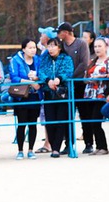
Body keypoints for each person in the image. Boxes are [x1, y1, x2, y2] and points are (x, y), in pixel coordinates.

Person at [56, 22, 91, 154]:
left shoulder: (81, 43)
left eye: (59, 32)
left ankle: (88, 142)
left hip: (79, 83)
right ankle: (68, 143)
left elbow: (84, 62)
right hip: (66, 85)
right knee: (67, 114)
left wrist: (71, 76)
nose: (58, 35)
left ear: (65, 32)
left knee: (84, 113)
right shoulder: (62, 46)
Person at [38, 38, 74, 158]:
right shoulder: (45, 58)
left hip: (62, 93)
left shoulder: (66, 58)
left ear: (59, 47)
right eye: (49, 46)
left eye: (54, 46)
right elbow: (41, 71)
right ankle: (53, 145)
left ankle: (56, 148)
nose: (51, 48)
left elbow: (69, 71)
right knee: (50, 121)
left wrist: (59, 78)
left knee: (61, 120)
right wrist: (48, 80)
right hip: (48, 92)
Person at [8, 39, 42, 159]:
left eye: (34, 47)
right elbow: (14, 77)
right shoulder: (16, 60)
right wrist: (30, 82)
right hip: (21, 96)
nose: (33, 50)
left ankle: (31, 149)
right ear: (23, 49)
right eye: (30, 48)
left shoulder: (38, 59)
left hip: (34, 96)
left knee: (33, 124)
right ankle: (20, 150)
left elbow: (42, 74)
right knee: (21, 123)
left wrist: (37, 78)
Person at [82, 36, 108, 155]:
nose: (97, 49)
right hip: (89, 94)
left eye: (100, 46)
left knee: (95, 120)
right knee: (91, 121)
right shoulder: (92, 61)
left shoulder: (107, 61)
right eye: (95, 46)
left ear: (106, 47)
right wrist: (87, 79)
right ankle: (98, 146)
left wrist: (102, 77)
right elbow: (85, 77)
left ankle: (103, 146)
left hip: (101, 94)